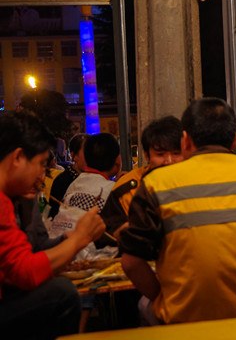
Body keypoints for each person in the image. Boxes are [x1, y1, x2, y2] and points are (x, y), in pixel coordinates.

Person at [120, 98, 236, 324]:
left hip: (185, 322)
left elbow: (130, 262)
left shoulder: (155, 184)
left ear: (185, 140)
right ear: (235, 139)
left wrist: (162, 298)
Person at [0, 111, 105, 338]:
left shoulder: (12, 198)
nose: (42, 176)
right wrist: (79, 240)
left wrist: (71, 239)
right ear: (18, 157)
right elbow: (25, 271)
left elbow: (27, 254)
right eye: (40, 164)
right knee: (62, 293)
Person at [100, 116, 184, 239]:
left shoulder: (198, 181)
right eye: (160, 154)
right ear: (146, 156)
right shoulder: (126, 189)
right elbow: (108, 236)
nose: (169, 161)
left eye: (176, 153)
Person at [48, 133, 87, 219]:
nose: (91, 156)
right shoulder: (62, 181)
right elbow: (53, 214)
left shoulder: (96, 178)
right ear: (73, 155)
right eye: (86, 152)